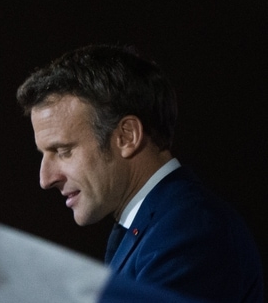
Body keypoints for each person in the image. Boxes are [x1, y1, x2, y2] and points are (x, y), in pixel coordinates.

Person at [16, 44, 264, 302]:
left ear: (127, 136)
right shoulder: (151, 226)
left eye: (63, 150)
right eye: (43, 154)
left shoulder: (190, 230)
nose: (45, 179)